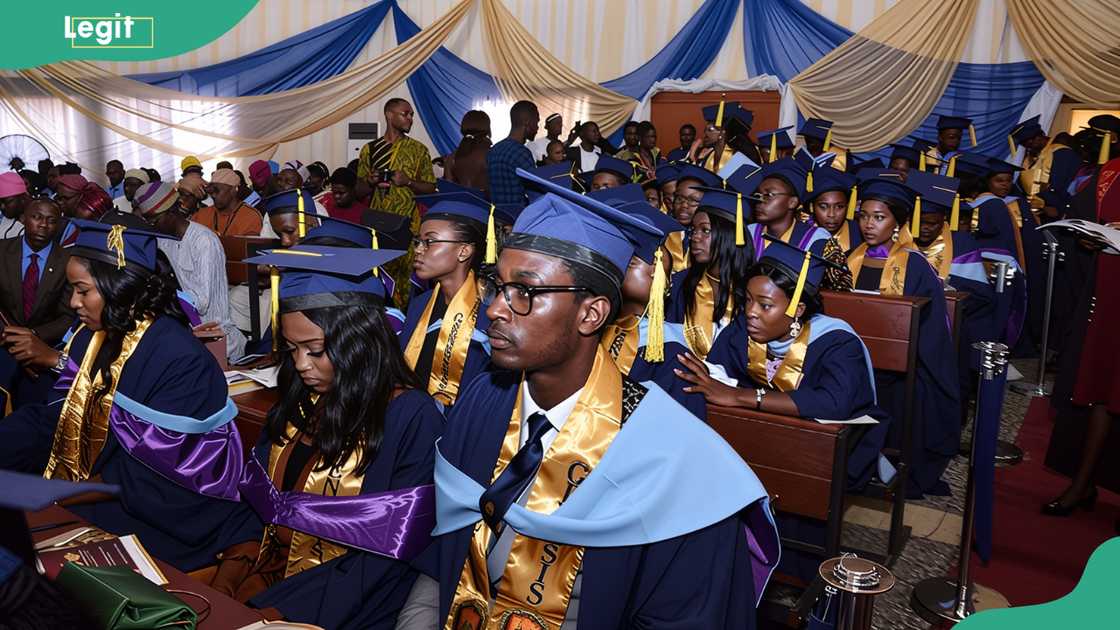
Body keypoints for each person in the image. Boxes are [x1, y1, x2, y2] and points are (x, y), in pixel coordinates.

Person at [412, 167, 779, 630]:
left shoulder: (672, 458)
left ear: (591, 314)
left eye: (525, 291)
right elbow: (443, 554)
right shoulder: (482, 401)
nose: (496, 309)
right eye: (499, 287)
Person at [207, 245, 442, 628]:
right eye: (292, 349)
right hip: (270, 577)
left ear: (359, 342)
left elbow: (387, 554)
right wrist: (227, 580)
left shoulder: (411, 417)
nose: (301, 364)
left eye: (315, 350)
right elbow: (256, 500)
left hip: (350, 601)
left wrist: (272, 613)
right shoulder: (299, 400)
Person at [0, 218, 250, 571]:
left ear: (119, 286)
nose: (73, 302)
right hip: (95, 488)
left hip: (162, 513)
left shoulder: (182, 360)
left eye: (83, 290)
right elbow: (54, 418)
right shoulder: (90, 338)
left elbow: (163, 476)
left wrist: (56, 493)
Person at [681, 238, 889, 489]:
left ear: (797, 309)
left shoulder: (837, 343)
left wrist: (741, 396)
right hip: (760, 442)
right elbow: (717, 373)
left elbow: (833, 403)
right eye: (748, 300)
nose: (751, 312)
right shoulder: (742, 330)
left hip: (825, 454)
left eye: (765, 305)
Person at [846, 171, 961, 496]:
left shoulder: (915, 265)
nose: (869, 225)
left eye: (879, 217)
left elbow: (932, 328)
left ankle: (887, 466)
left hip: (902, 367)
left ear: (897, 222)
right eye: (864, 216)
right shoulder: (850, 259)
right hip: (857, 361)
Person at [1043, 121, 1120, 522]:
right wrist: (1089, 237)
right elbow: (1085, 218)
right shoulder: (1111, 172)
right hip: (1108, 294)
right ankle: (1083, 482)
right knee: (1101, 389)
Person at [589, 184, 705, 418]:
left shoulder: (671, 350)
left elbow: (676, 425)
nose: (617, 268)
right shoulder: (594, 327)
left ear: (657, 276)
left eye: (630, 263)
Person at [401, 190, 494, 410]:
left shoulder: (490, 313)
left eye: (430, 241)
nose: (418, 250)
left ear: (464, 251)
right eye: (418, 241)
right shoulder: (419, 304)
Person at [136, 181, 247, 361]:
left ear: (173, 211)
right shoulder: (161, 240)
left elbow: (201, 302)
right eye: (147, 220)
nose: (150, 225)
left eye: (154, 220)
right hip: (183, 334)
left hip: (215, 338)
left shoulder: (204, 241)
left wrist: (162, 293)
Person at [358, 98, 438, 307]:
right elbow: (358, 191)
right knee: (378, 280)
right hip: (377, 227)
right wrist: (370, 181)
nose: (410, 118)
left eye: (412, 114)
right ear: (389, 115)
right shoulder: (370, 149)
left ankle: (407, 321)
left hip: (408, 226)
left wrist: (408, 182)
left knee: (407, 284)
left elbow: (431, 187)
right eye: (406, 114)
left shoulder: (418, 150)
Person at [666, 185, 756, 360]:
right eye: (693, 230)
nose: (694, 237)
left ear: (730, 234)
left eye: (705, 230)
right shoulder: (679, 285)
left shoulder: (753, 292)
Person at [0, 198, 73, 408]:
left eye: (51, 220)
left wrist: (33, 336)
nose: (43, 225)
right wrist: (12, 338)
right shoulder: (2, 250)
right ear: (23, 218)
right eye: (37, 217)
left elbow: (67, 317)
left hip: (42, 354)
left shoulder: (68, 260)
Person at [743, 155, 830, 261]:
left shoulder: (816, 239)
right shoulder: (750, 232)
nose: (760, 200)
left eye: (769, 195)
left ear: (792, 202)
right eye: (758, 195)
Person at [666, 163, 721, 273]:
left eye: (693, 200)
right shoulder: (663, 232)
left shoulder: (715, 237)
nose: (684, 205)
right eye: (679, 198)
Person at [487, 101, 540, 208]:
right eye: (536, 122)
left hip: (496, 214)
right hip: (517, 215)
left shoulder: (494, 150)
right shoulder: (522, 152)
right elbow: (536, 192)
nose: (538, 127)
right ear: (527, 122)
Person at [805, 165, 862, 253]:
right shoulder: (802, 233)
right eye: (823, 207)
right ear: (812, 206)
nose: (831, 214)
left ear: (848, 206)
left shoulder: (859, 234)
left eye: (839, 207)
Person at [192, 168, 263, 236]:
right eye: (211, 191)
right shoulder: (201, 215)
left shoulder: (251, 216)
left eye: (217, 190)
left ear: (233, 190)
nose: (213, 195)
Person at [442, 110, 492, 192]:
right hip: (483, 200)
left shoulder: (452, 157)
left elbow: (448, 190)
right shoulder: (491, 155)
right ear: (487, 129)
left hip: (458, 199)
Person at [690, 100, 742, 173]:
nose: (705, 133)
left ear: (722, 133)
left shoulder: (730, 154)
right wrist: (692, 154)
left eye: (710, 130)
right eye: (705, 130)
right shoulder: (707, 152)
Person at [0, 171, 29, 239]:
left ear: (23, 198)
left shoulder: (41, 218)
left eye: (7, 202)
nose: (2, 207)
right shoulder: (3, 218)